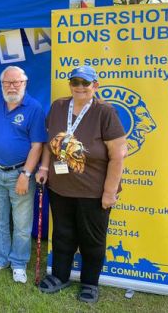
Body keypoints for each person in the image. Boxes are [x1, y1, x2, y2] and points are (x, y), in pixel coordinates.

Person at [36, 66, 127, 303]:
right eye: (75, 82)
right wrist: (44, 168)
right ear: (70, 85)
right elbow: (49, 143)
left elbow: (118, 155)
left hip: (93, 192)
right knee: (63, 235)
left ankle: (89, 283)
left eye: (85, 83)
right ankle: (59, 276)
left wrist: (109, 192)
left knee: (92, 239)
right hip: (60, 188)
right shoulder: (57, 106)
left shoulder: (105, 112)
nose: (80, 87)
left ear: (95, 85)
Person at [0, 66, 47, 283]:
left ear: (25, 83)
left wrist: (26, 174)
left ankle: (18, 262)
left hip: (20, 172)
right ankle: (0, 259)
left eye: (16, 82)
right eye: (7, 83)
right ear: (1, 85)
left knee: (21, 223)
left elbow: (38, 145)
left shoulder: (34, 108)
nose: (11, 86)